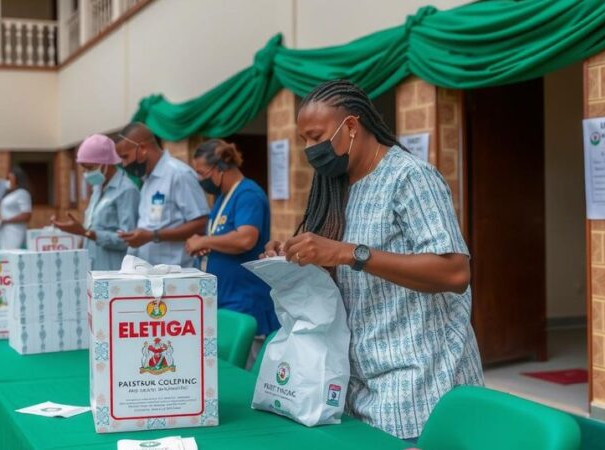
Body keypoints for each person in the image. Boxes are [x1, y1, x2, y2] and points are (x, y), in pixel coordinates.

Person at [261, 79, 483, 440]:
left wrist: (348, 252)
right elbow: (340, 279)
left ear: (350, 127)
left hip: (419, 388)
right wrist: (293, 259)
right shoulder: (337, 188)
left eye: (316, 136)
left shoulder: (410, 177)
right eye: (304, 140)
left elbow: (455, 272)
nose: (310, 149)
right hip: (356, 385)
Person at [185, 139, 279, 337]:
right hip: (225, 299)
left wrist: (204, 241)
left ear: (219, 168)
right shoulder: (222, 197)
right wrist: (209, 246)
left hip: (245, 300)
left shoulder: (248, 194)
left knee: (241, 365)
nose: (200, 180)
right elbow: (225, 238)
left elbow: (246, 239)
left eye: (202, 173)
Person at [115, 123, 209, 267]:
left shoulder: (178, 174)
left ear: (142, 148)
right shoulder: (147, 181)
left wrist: (153, 236)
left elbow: (201, 223)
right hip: (150, 276)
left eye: (125, 157)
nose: (124, 164)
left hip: (176, 277)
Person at [51, 134, 140, 270]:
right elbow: (92, 227)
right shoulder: (98, 188)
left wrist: (86, 233)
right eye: (84, 168)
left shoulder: (127, 190)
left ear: (107, 163)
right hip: (93, 268)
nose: (86, 173)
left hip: (113, 272)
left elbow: (127, 239)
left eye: (90, 167)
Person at [0, 166, 32, 250]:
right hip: (4, 231)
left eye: (10, 179)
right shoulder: (9, 194)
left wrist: (7, 220)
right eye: (7, 179)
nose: (7, 182)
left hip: (15, 232)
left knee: (12, 256)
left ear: (17, 180)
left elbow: (27, 215)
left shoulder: (22, 193)